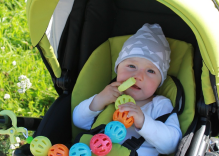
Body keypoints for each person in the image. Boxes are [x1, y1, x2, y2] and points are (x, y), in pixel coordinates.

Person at [73, 23, 182, 155]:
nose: (138, 76)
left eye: (151, 71)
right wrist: (99, 100)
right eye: (131, 66)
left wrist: (143, 122)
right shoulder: (109, 95)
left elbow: (172, 145)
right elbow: (78, 121)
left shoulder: (159, 105)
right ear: (117, 69)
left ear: (160, 82)